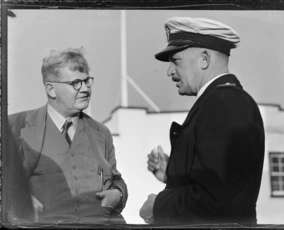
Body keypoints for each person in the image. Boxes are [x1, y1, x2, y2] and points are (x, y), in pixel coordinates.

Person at [139, 17, 265, 226]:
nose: (169, 71)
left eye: (176, 60)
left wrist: (158, 206)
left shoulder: (224, 103)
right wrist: (174, 173)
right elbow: (221, 184)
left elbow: (215, 202)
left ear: (204, 59)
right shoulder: (221, 101)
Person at [8, 48, 128, 225]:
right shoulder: (15, 127)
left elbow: (116, 180)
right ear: (51, 89)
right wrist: (21, 200)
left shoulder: (101, 132)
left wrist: (118, 194)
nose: (86, 89)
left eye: (87, 81)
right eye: (76, 83)